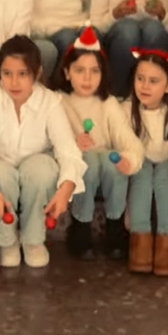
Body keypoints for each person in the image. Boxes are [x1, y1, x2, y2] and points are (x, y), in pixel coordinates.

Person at [0, 37, 86, 269]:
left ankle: (34, 238)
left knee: (44, 170)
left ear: (37, 73)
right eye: (7, 73)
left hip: (34, 169)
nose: (14, 82)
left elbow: (68, 151)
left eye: (23, 74)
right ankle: (7, 240)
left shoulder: (50, 102)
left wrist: (66, 188)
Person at [50, 27, 143, 260]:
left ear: (103, 74)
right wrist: (72, 143)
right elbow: (48, 141)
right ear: (67, 72)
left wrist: (128, 161)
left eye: (94, 71)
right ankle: (81, 226)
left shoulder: (109, 104)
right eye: (80, 70)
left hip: (109, 174)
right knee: (89, 159)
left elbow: (131, 144)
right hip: (78, 172)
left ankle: (115, 226)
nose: (87, 78)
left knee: (112, 159)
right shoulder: (58, 102)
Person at [125, 49, 168, 276]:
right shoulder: (127, 111)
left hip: (167, 163)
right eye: (140, 79)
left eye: (154, 81)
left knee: (165, 179)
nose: (145, 86)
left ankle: (167, 244)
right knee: (141, 179)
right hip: (140, 162)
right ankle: (139, 243)